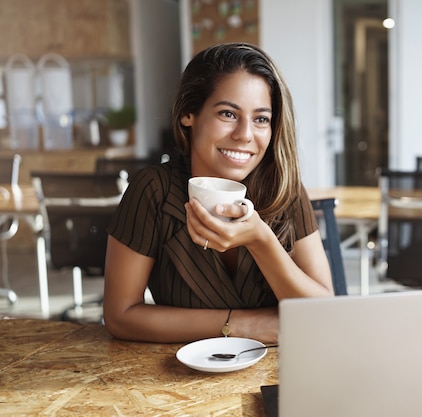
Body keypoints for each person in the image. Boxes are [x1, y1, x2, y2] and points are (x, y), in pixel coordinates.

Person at [103, 43, 334, 344]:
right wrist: (239, 325)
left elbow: (325, 314)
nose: (245, 135)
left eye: (261, 119)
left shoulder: (286, 189)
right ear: (189, 113)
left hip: (280, 377)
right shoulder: (154, 191)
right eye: (228, 113)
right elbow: (120, 316)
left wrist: (260, 240)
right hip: (179, 381)